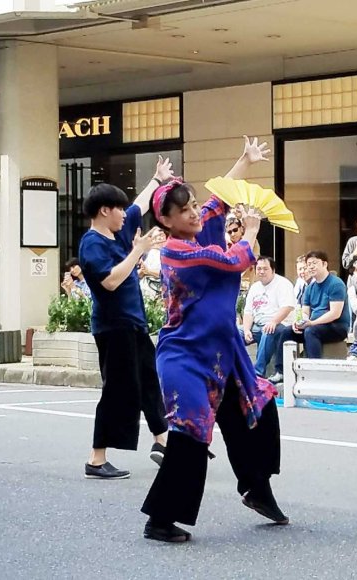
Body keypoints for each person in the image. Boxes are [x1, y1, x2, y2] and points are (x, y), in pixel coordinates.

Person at [141, 136, 287, 543]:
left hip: (224, 352)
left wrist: (245, 161)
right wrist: (251, 232)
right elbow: (235, 260)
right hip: (186, 358)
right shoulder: (177, 253)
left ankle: (257, 490)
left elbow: (220, 197)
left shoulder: (200, 227)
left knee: (257, 409)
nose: (193, 212)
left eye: (191, 206)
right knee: (190, 434)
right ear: (166, 221)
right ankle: (160, 520)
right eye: (183, 210)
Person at [78, 157, 173, 480]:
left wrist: (157, 180)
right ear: (104, 210)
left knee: (149, 381)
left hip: (133, 324)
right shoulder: (91, 243)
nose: (124, 214)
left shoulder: (117, 233)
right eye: (117, 209)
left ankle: (163, 442)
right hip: (112, 327)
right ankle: (96, 458)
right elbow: (110, 281)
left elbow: (138, 205)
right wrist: (138, 251)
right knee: (117, 390)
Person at [270, 250, 351, 384]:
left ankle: (314, 372)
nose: (311, 267)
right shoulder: (310, 288)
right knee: (285, 331)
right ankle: (281, 372)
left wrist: (312, 323)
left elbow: (335, 313)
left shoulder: (336, 284)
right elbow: (305, 312)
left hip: (336, 327)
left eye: (314, 263)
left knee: (311, 331)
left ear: (325, 264)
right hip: (314, 325)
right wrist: (299, 322)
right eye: (308, 264)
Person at [240, 256, 296, 378]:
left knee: (268, 330)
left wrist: (273, 322)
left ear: (273, 270)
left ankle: (258, 373)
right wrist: (246, 330)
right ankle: (234, 370)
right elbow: (248, 312)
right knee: (234, 333)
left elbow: (287, 307)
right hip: (257, 325)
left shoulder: (283, 284)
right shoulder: (255, 287)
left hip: (280, 324)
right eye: (259, 268)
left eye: (265, 269)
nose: (261, 271)